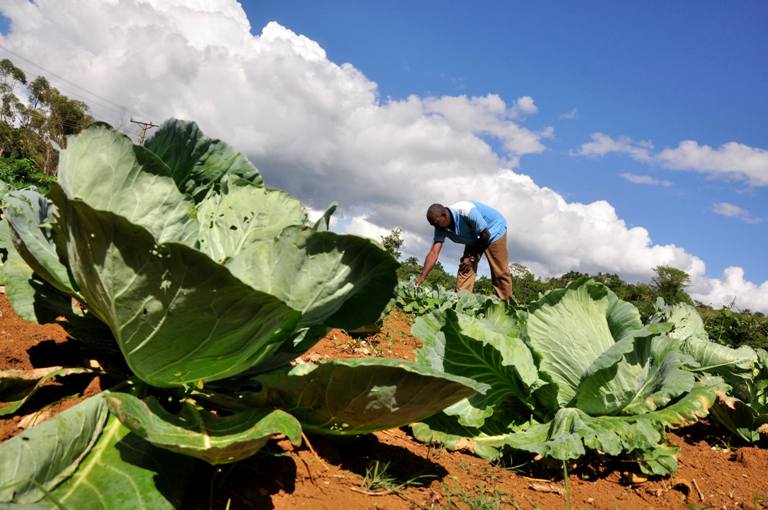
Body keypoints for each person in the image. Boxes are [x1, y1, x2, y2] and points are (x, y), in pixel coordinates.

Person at [416, 201, 512, 300]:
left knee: (500, 273)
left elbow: (485, 234)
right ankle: (461, 304)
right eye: (433, 225)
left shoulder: (466, 212)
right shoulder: (440, 227)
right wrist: (423, 276)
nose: (435, 227)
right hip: (475, 237)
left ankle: (506, 307)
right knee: (465, 267)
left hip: (493, 231)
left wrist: (471, 257)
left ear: (444, 215)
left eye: (436, 223)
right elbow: (433, 253)